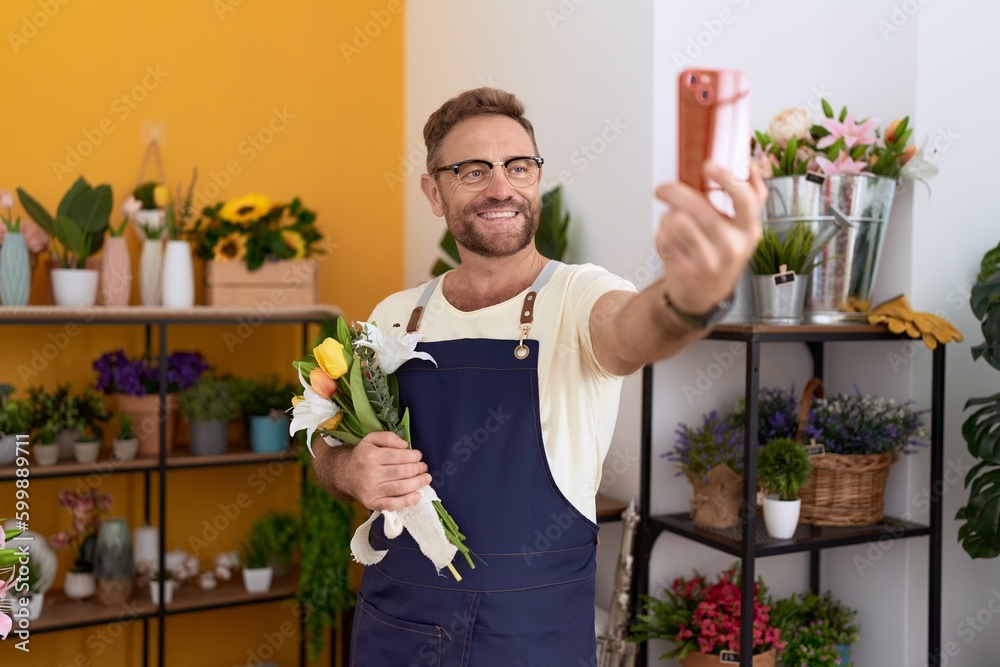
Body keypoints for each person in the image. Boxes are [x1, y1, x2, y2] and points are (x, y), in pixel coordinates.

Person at [313, 87, 766, 666]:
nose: (501, 187)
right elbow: (326, 444)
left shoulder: (580, 296)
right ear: (434, 191)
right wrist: (347, 469)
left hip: (529, 640)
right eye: (472, 171)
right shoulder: (391, 317)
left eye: (518, 167)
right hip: (397, 628)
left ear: (536, 177)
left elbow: (634, 330)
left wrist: (691, 299)